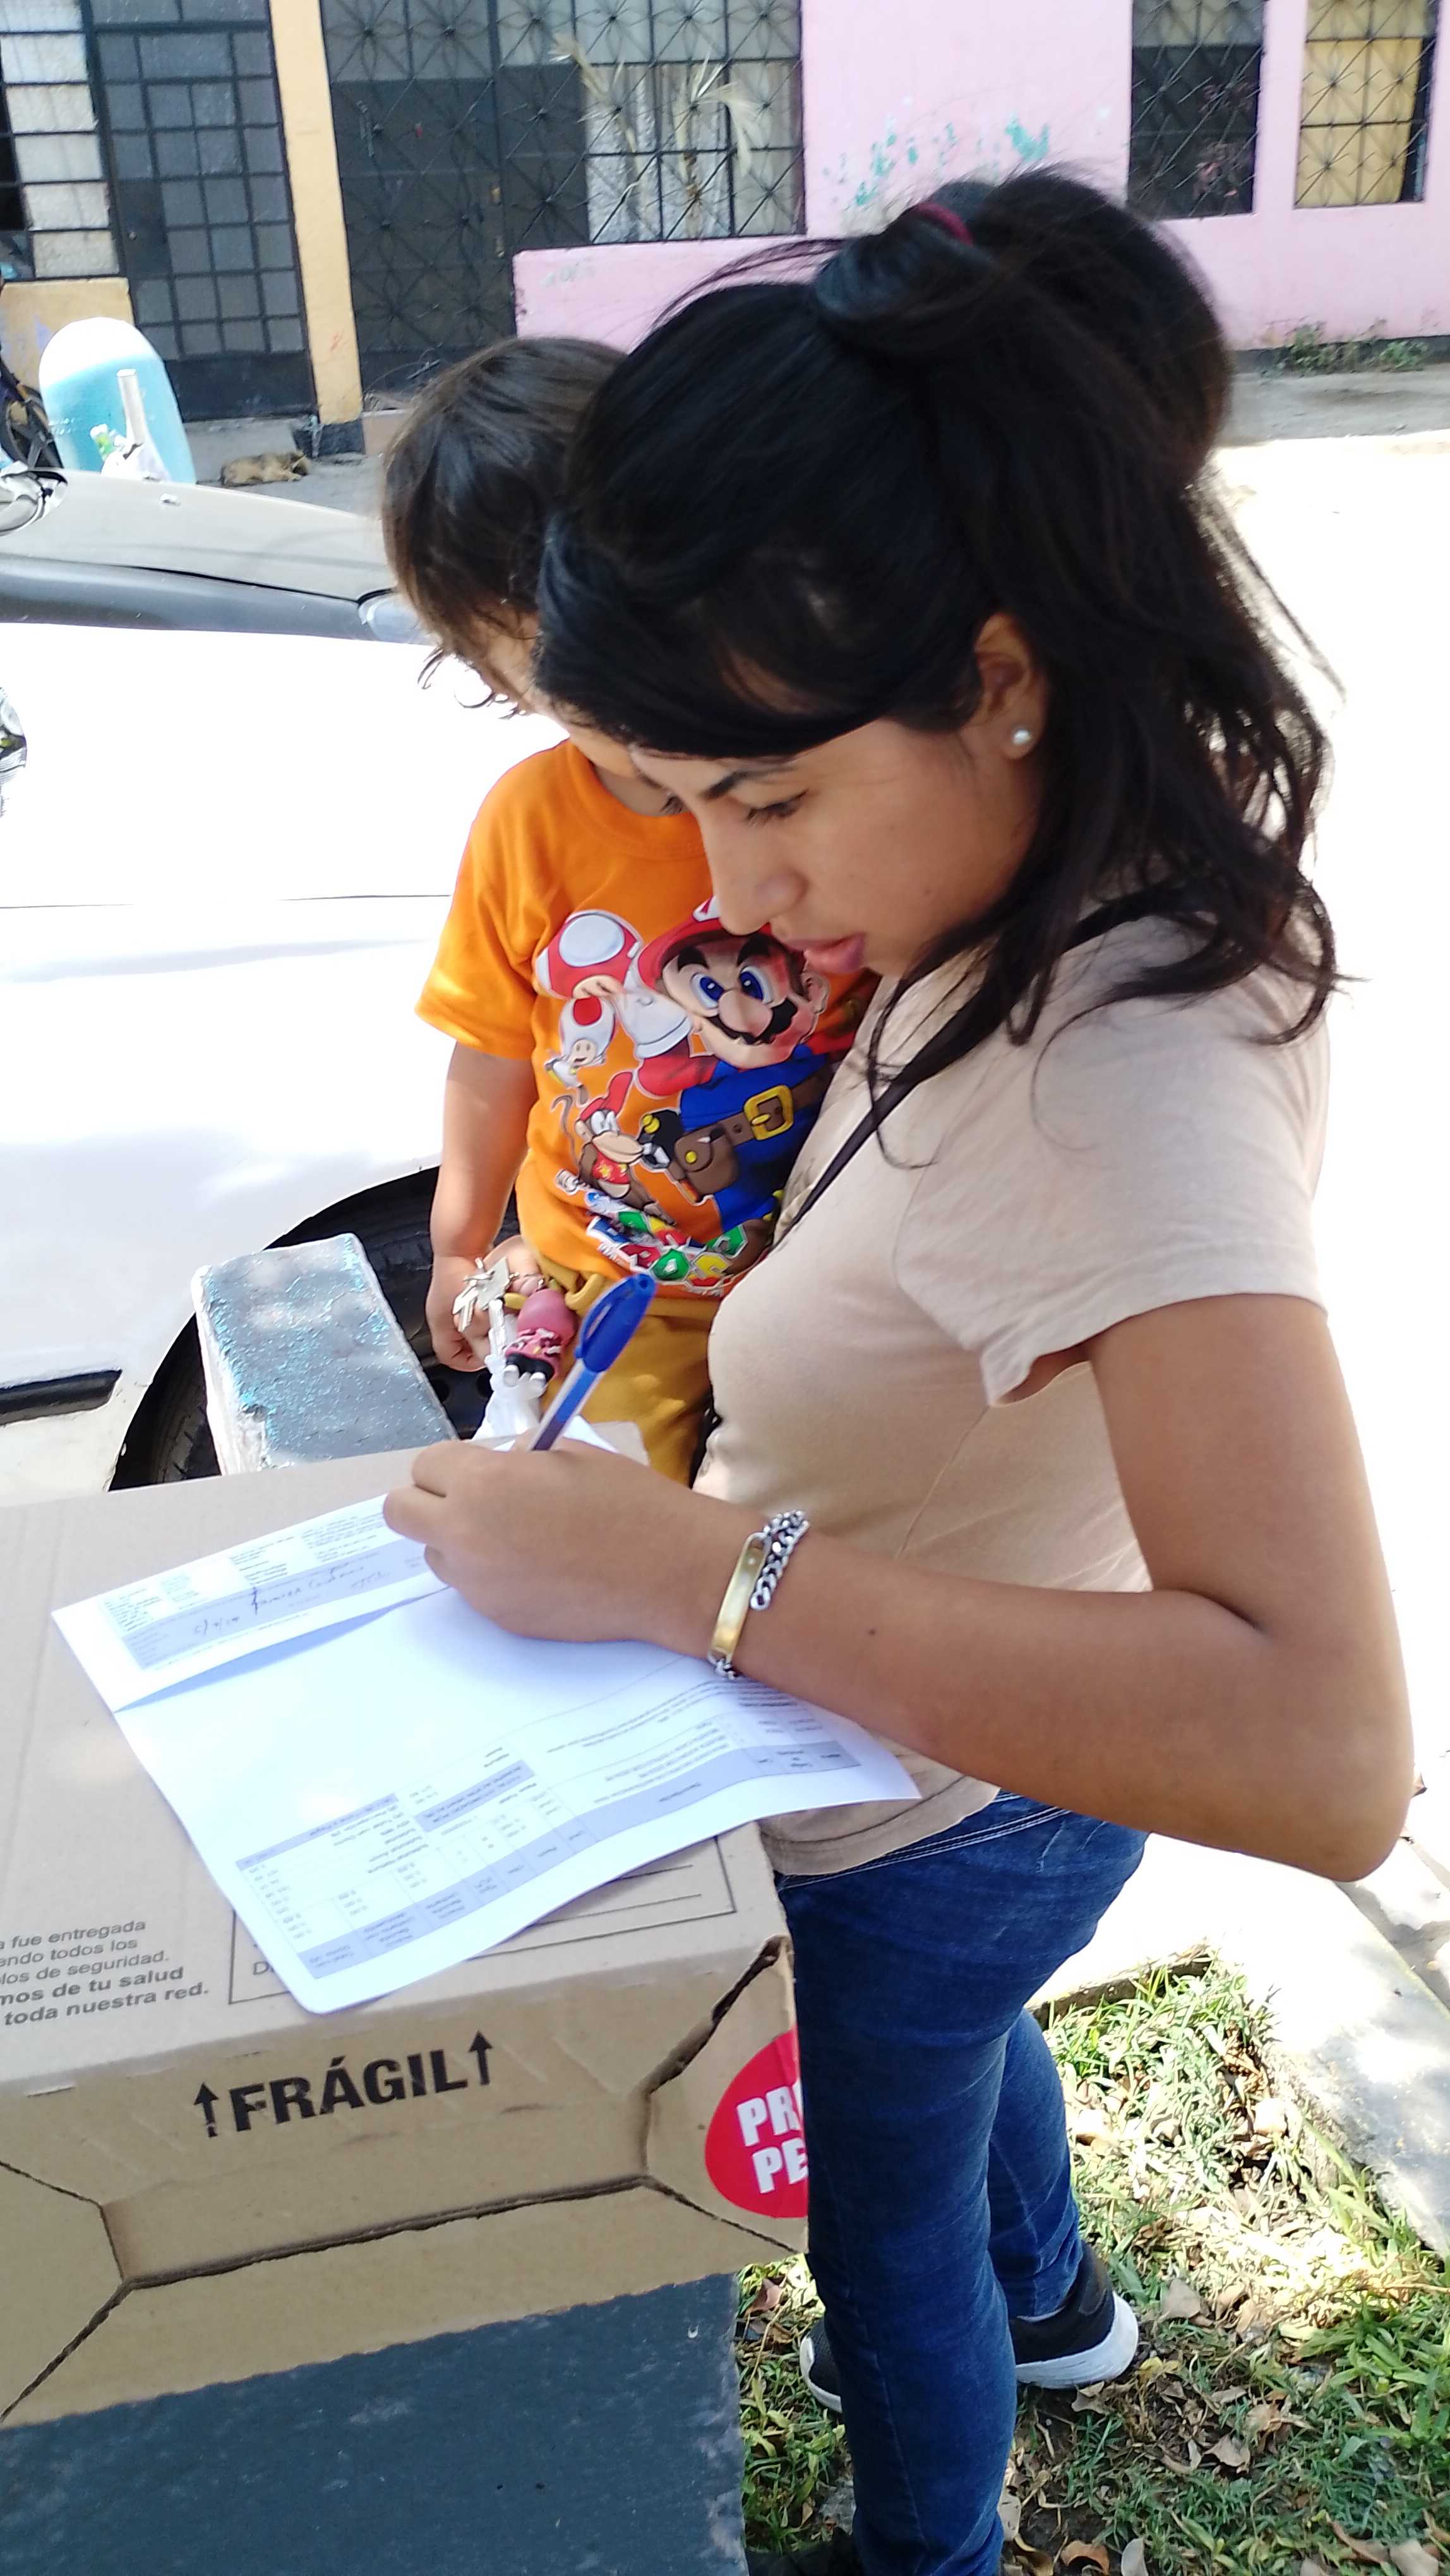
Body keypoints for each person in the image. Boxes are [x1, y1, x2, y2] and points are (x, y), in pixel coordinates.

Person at [383, 176, 1413, 2576]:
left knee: (881, 2221)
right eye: (686, 807)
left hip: (934, 1805)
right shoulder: (1013, 899)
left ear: (999, 670)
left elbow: (1322, 1750)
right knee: (956, 2077)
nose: (738, 894)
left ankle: (928, 2544)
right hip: (932, 1771)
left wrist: (690, 1575)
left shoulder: (1121, 1055)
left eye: (766, 801)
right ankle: (1058, 2303)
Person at [383, 338, 868, 1479]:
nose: (625, 678)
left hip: (827, 1269)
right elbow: (491, 1049)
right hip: (614, 1283)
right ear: (497, 676)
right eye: (562, 657)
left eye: (645, 616)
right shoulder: (529, 823)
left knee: (797, 1517)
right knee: (602, 1513)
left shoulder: (821, 768)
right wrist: (458, 1246)